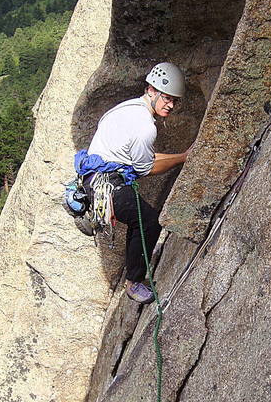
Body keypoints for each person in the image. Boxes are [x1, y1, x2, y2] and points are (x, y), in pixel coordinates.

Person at [76, 62, 191, 304]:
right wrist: (183, 158)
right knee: (149, 222)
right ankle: (133, 283)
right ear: (152, 90)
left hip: (92, 180)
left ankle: (91, 214)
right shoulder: (145, 127)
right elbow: (146, 168)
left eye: (174, 100)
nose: (170, 105)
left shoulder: (127, 109)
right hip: (108, 187)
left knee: (139, 215)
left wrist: (181, 156)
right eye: (167, 98)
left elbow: (143, 160)